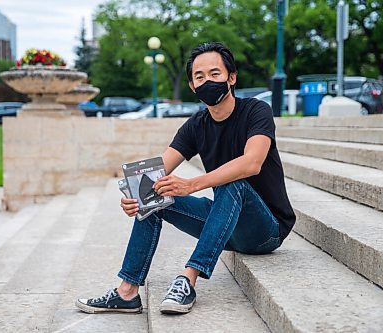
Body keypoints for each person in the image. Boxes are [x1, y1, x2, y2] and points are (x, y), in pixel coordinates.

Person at [76, 42, 296, 315]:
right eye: (199, 77)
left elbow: (252, 163)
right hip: (225, 224)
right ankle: (127, 292)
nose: (207, 81)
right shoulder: (196, 125)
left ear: (232, 77)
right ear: (192, 86)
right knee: (153, 198)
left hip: (265, 229)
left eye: (215, 74)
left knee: (232, 181)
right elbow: (157, 172)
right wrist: (135, 196)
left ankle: (187, 280)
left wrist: (192, 184)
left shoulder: (256, 111)